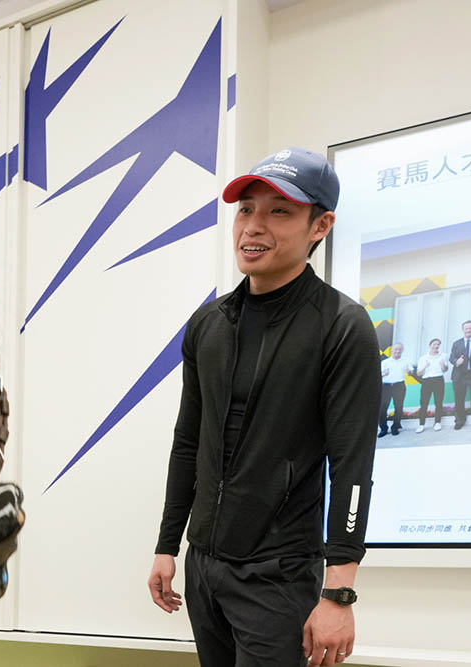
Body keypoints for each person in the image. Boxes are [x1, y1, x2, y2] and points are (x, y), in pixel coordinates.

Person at [147, 147, 380, 667]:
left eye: (279, 211)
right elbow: (188, 442)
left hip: (277, 576)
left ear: (320, 226)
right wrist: (169, 545)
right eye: (246, 209)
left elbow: (353, 470)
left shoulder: (341, 327)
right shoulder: (207, 324)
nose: (253, 226)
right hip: (204, 567)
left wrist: (339, 593)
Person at [378, 343, 412, 437]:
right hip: (386, 387)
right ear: (392, 350)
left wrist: (408, 371)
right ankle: (383, 429)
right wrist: (384, 374)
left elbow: (410, 372)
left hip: (399, 386)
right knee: (382, 408)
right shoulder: (385, 362)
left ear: (402, 350)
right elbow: (378, 374)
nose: (397, 351)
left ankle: (395, 427)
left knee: (398, 407)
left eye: (400, 349)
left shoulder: (405, 361)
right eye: (396, 349)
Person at [415, 338, 448, 433]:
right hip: (427, 381)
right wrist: (425, 366)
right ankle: (421, 424)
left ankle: (437, 422)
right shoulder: (423, 358)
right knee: (424, 403)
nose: (436, 346)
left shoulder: (443, 356)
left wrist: (442, 365)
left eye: (438, 344)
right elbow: (419, 373)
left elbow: (445, 370)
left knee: (439, 402)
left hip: (438, 379)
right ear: (430, 345)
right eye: (434, 344)